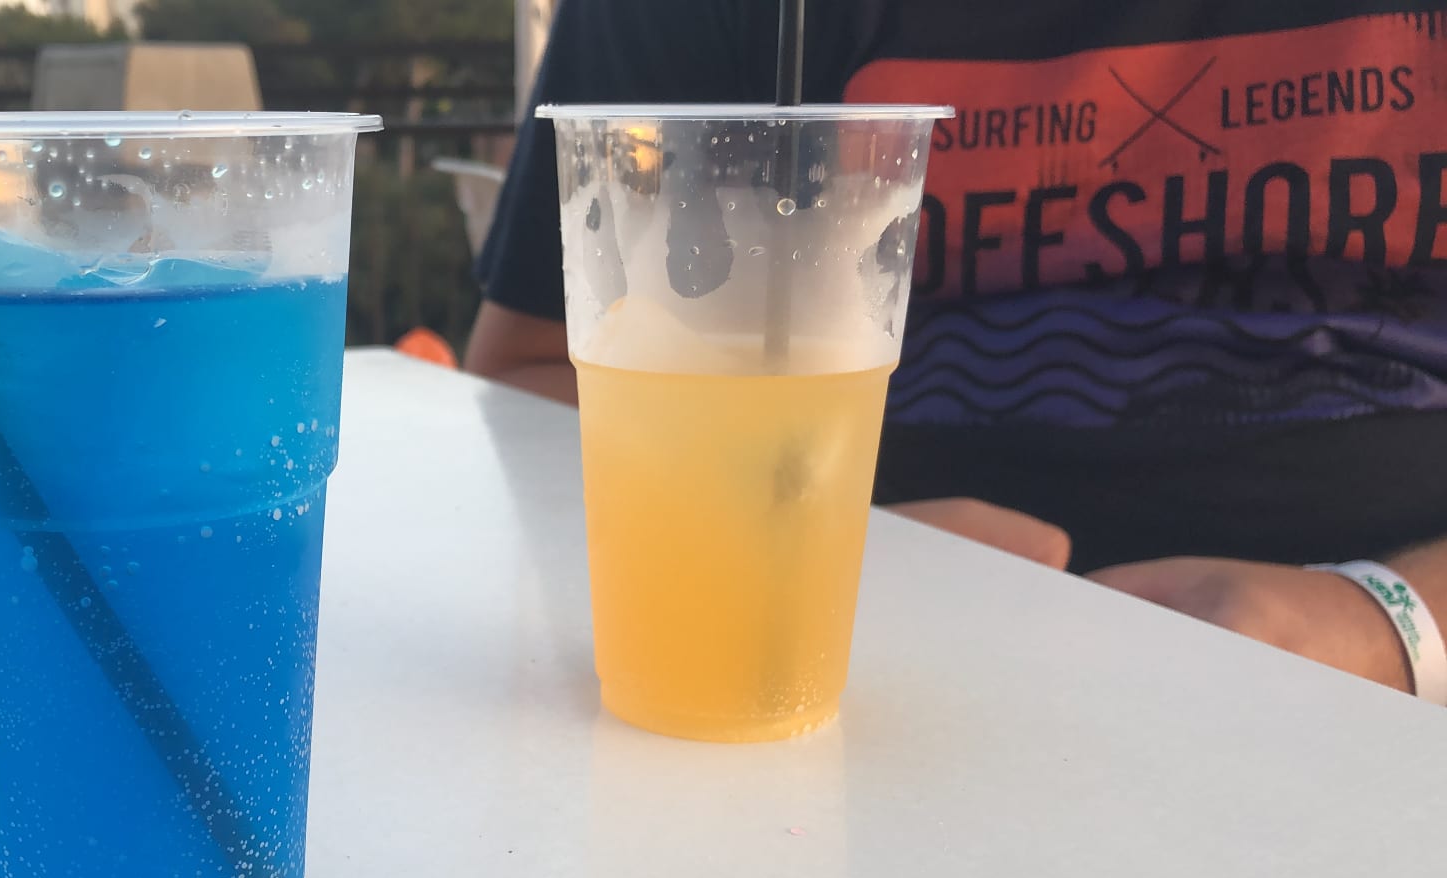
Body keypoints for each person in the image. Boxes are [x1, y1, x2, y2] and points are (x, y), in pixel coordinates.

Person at [466, 0, 1447, 699]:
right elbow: (530, 371)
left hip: (1389, 707)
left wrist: (1390, 627)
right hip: (841, 694)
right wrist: (807, 543)